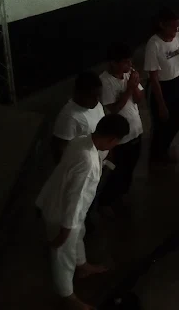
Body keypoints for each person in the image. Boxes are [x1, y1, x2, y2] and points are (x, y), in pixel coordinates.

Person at [36, 114, 130, 310]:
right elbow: (74, 199)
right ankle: (67, 296)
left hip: (64, 207)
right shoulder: (87, 162)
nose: (114, 147)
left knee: (79, 235)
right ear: (112, 139)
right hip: (62, 214)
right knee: (63, 255)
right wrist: (65, 230)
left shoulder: (81, 140)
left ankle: (82, 265)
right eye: (116, 142)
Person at [98, 43, 144, 209]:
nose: (129, 65)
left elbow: (139, 99)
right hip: (119, 138)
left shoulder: (129, 74)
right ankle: (105, 203)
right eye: (125, 62)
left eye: (130, 61)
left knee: (129, 169)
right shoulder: (105, 82)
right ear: (113, 63)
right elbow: (115, 109)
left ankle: (120, 196)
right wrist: (130, 89)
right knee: (117, 172)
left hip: (136, 131)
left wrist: (135, 86)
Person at [144, 8, 179, 164]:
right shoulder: (154, 44)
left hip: (176, 82)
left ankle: (164, 147)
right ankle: (156, 155)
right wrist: (161, 104)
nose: (176, 30)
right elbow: (153, 77)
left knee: (177, 120)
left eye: (178, 26)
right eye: (172, 26)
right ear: (162, 25)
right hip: (161, 87)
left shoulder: (178, 36)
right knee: (161, 124)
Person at [51, 72, 105, 163]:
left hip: (99, 160)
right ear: (78, 93)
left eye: (98, 96)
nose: (97, 100)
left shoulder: (96, 105)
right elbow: (60, 150)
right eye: (92, 96)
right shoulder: (69, 117)